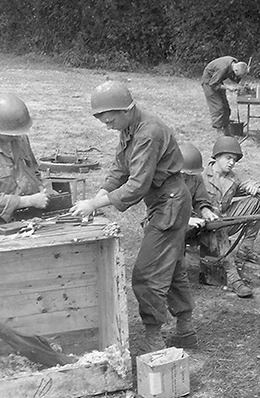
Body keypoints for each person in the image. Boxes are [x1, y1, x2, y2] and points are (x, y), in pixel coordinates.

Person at [70, 81, 197, 355]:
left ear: (127, 109)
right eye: (102, 120)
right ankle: (185, 329)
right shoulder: (129, 126)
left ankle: (154, 336)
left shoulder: (148, 132)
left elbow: (137, 185)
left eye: (110, 118)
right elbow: (120, 169)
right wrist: (98, 198)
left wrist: (94, 203)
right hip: (163, 201)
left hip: (170, 202)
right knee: (171, 266)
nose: (107, 124)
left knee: (147, 273)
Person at [179, 143, 253, 298]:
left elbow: (200, 201)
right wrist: (186, 220)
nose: (188, 177)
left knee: (217, 226)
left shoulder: (196, 178)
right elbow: (161, 212)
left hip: (192, 226)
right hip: (165, 227)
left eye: (191, 174)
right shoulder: (163, 182)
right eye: (185, 174)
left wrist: (206, 212)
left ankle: (233, 278)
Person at [200, 136, 260, 273]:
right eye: (228, 158)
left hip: (225, 222)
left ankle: (246, 250)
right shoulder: (201, 177)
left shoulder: (234, 178)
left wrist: (256, 189)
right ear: (217, 156)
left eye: (234, 159)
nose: (232, 162)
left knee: (259, 201)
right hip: (205, 227)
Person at [0, 93, 50, 222]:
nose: (15, 136)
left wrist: (41, 188)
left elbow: (33, 170)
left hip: (26, 216)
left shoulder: (20, 138)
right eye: (10, 133)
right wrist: (28, 201)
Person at [201, 56, 249, 134]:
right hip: (209, 83)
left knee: (226, 107)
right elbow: (213, 84)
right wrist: (227, 87)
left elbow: (233, 76)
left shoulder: (234, 63)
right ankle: (219, 131)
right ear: (236, 70)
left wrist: (242, 81)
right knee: (218, 107)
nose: (239, 77)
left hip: (217, 81)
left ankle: (227, 131)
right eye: (239, 75)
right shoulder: (222, 68)